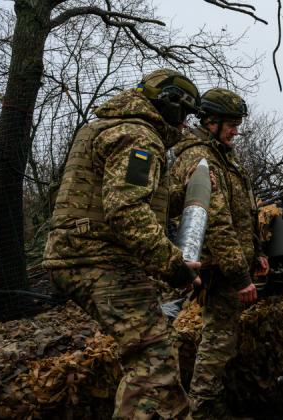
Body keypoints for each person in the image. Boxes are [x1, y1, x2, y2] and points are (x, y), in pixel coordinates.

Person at [43, 68, 202, 419]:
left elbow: (126, 199)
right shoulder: (138, 136)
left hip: (81, 255)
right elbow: (126, 210)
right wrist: (173, 265)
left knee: (149, 355)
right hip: (97, 260)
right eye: (186, 113)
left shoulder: (109, 126)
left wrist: (183, 194)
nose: (186, 123)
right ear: (171, 105)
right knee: (153, 362)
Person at [168, 87, 267, 418]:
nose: (236, 131)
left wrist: (257, 255)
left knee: (221, 339)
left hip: (231, 263)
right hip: (219, 268)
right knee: (218, 342)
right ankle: (202, 408)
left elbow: (245, 213)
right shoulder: (201, 159)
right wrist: (241, 277)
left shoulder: (224, 157)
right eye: (232, 124)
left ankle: (210, 401)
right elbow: (217, 223)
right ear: (211, 122)